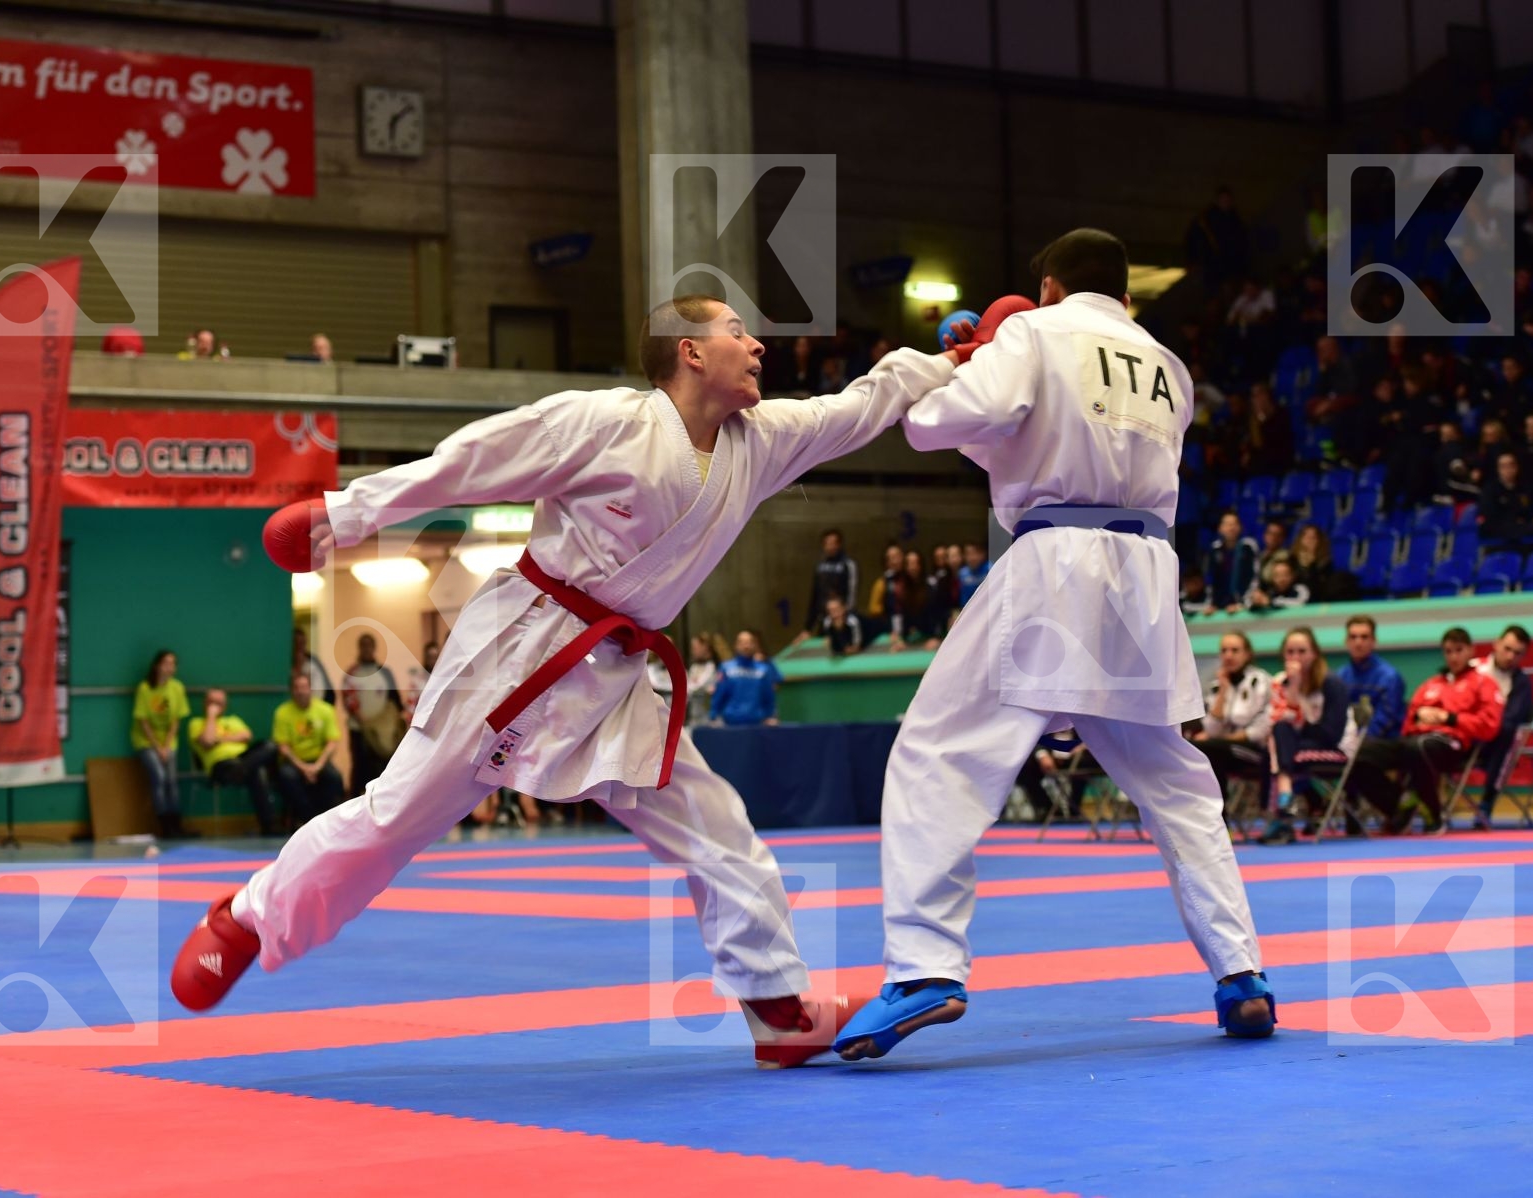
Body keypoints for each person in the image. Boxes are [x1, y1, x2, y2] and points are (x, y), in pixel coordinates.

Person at [171, 293, 959, 1070]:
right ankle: (247, 918)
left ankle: (781, 1010)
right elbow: (473, 460)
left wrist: (954, 360)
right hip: (524, 650)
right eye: (736, 331)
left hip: (618, 674)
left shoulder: (764, 440)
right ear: (690, 351)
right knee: (397, 815)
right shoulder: (605, 422)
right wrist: (343, 515)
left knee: (718, 829)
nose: (758, 347)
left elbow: (867, 401)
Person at [834, 229, 1274, 1066]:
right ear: (1128, 295)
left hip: (1055, 562)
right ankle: (1241, 973)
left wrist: (959, 366)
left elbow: (945, 426)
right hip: (1146, 572)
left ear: (1046, 288)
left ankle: (926, 967)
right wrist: (991, 372)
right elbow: (1033, 438)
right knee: (1177, 786)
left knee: (938, 753)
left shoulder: (1035, 334)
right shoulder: (1168, 366)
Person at [1346, 628, 1504, 834]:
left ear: (1471, 651)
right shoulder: (1431, 684)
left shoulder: (1484, 683)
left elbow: (1490, 726)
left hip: (1452, 745)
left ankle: (1433, 815)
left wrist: (1449, 718)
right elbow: (1409, 720)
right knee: (1359, 753)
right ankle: (1398, 806)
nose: (1453, 656)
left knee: (1419, 747)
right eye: (1448, 651)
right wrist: (1417, 721)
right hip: (1415, 740)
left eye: (1459, 650)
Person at [1257, 628, 1351, 845]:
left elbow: (1331, 734)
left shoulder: (1332, 684)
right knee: (1278, 734)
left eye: (1302, 651)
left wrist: (1301, 711)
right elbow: (1277, 718)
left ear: (1314, 654)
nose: (1295, 657)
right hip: (1293, 744)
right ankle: (1286, 801)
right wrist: (1294, 688)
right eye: (1290, 652)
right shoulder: (1280, 682)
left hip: (1330, 746)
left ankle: (1281, 813)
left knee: (1276, 747)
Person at [1189, 631, 1274, 800]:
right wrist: (1223, 691)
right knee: (1196, 748)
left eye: (1235, 650)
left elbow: (1264, 726)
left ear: (1247, 654)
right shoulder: (1217, 686)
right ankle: (1210, 809)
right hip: (1224, 750)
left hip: (1256, 750)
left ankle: (1220, 812)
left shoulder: (1261, 681)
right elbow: (1212, 729)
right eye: (1224, 651)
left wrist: (1229, 738)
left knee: (1208, 748)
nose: (1228, 656)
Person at [189, 689, 283, 837]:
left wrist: (219, 740)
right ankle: (269, 825)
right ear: (205, 704)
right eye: (212, 702)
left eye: (219, 703)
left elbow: (247, 735)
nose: (215, 706)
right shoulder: (197, 723)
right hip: (220, 766)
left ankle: (242, 770)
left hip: (244, 759)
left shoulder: (233, 720)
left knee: (270, 746)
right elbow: (207, 741)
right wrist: (211, 716)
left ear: (225, 706)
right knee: (257, 772)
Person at [1472, 626, 1533, 821]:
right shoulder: (1473, 668)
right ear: (1496, 644)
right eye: (1507, 649)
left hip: (1494, 743)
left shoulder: (1521, 682)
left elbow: (1512, 719)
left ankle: (1486, 803)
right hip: (1464, 736)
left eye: (1518, 653)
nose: (1510, 657)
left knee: (1507, 732)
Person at [131, 650, 193, 839]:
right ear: (157, 665)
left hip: (169, 741)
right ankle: (164, 824)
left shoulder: (177, 688)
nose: (170, 667)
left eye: (173, 663)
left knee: (171, 780)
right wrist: (157, 747)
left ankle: (176, 823)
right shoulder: (145, 688)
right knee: (159, 776)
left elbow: (176, 720)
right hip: (147, 741)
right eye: (166, 663)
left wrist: (166, 746)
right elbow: (143, 721)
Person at [271, 672, 345, 827]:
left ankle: (325, 820)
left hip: (319, 760)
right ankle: (309, 820)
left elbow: (332, 742)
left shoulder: (325, 710)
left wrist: (318, 766)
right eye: (296, 687)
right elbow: (283, 747)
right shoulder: (282, 712)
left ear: (310, 689)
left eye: (304, 687)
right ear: (291, 690)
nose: (300, 691)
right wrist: (304, 768)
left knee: (334, 778)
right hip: (294, 761)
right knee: (287, 777)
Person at [339, 632, 406, 798]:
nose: (367, 649)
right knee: (359, 768)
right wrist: (362, 719)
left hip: (381, 733)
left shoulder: (385, 673)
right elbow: (348, 700)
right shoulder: (352, 673)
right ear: (359, 648)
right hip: (359, 730)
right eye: (364, 646)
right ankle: (354, 804)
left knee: (382, 768)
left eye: (370, 646)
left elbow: (395, 702)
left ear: (374, 648)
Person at [1334, 615, 1406, 741]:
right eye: (1353, 637)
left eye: (1364, 637)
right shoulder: (1339, 677)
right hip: (1346, 741)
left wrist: (1357, 741)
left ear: (1374, 641)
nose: (1358, 642)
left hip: (1384, 743)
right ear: (1346, 641)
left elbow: (1385, 721)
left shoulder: (1390, 677)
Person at [710, 629, 784, 727]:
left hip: (757, 725)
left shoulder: (764, 670)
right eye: (742, 643)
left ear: (754, 645)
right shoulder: (726, 668)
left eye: (749, 643)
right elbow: (719, 694)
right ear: (736, 646)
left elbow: (768, 696)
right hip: (730, 724)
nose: (746, 646)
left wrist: (770, 716)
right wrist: (714, 716)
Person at [800, 529, 859, 640]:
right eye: (827, 543)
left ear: (839, 544)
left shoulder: (848, 564)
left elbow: (852, 593)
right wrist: (808, 628)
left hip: (842, 619)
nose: (830, 546)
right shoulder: (820, 566)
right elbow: (815, 596)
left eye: (833, 543)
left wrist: (845, 614)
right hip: (824, 619)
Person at [1202, 511, 1258, 615]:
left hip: (1244, 604)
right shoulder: (1214, 549)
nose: (1231, 528)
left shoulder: (1248, 547)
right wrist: (1212, 603)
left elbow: (1255, 576)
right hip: (1220, 605)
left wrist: (1244, 602)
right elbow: (1210, 579)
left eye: (1234, 524)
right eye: (1227, 524)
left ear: (1240, 527)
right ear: (1220, 528)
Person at [956, 541, 990, 607]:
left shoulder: (990, 569)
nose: (972, 558)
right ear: (964, 556)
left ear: (982, 554)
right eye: (968, 554)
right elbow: (963, 598)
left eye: (975, 553)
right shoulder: (962, 573)